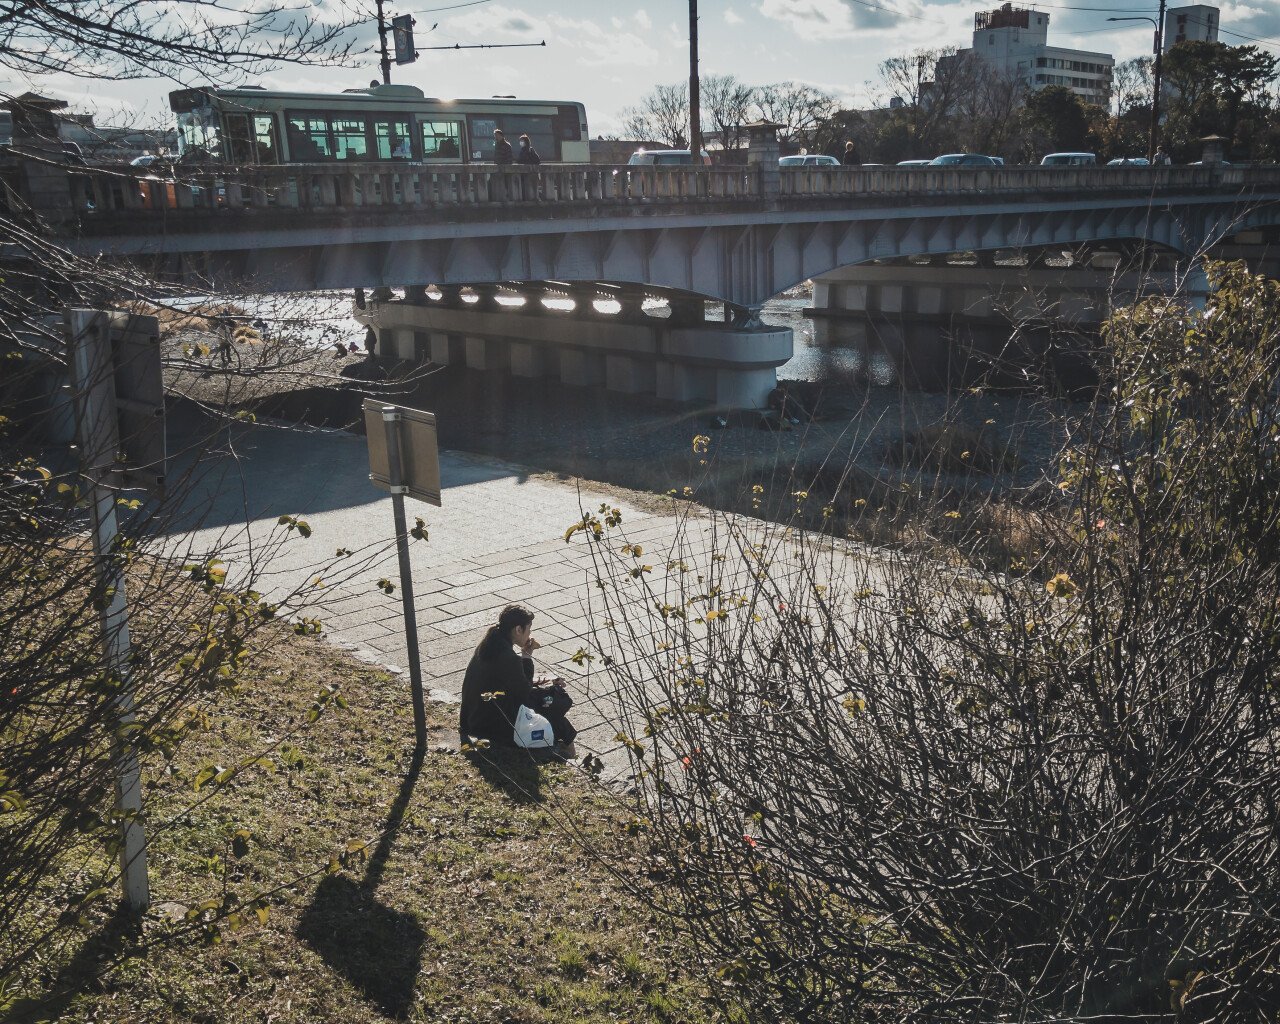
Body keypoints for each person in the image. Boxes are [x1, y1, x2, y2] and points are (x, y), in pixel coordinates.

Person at [459, 604, 577, 754]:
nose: (530, 634)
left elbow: (513, 682)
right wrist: (527, 658)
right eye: (529, 629)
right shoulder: (509, 658)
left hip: (472, 718)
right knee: (551, 703)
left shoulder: (489, 644)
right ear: (518, 630)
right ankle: (568, 750)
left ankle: (565, 747)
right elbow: (525, 696)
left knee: (547, 701)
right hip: (489, 725)